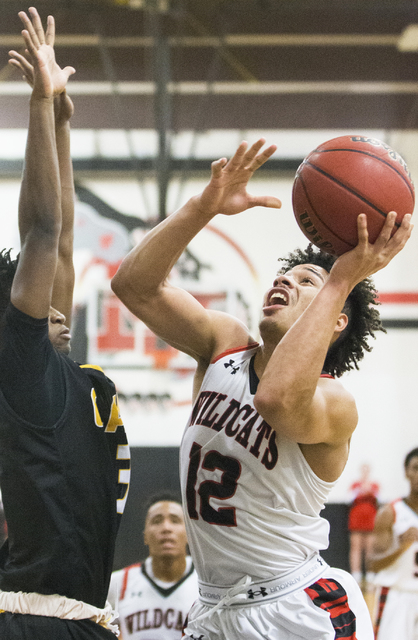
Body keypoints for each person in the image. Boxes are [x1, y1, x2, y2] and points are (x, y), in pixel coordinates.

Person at [111, 139, 412, 640]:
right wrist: (202, 206)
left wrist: (341, 278)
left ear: (336, 319)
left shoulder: (335, 403)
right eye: (284, 274)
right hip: (213, 610)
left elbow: (274, 401)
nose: (285, 281)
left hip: (297, 609)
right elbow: (134, 286)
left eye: (307, 280)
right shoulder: (224, 344)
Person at [0, 8, 130, 639]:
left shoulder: (64, 365)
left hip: (79, 617)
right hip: (31, 616)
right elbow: (43, 231)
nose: (61, 310)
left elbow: (68, 238)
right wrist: (38, 102)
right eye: (43, 303)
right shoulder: (22, 364)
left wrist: (62, 125)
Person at [108, 495, 198, 639]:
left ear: (189, 533)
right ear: (145, 536)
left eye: (175, 521)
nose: (166, 528)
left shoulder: (207, 583)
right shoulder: (117, 583)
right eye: (157, 521)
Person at [369, 447, 418, 640]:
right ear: (406, 472)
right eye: (416, 468)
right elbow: (372, 563)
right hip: (397, 597)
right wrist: (401, 547)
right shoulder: (390, 512)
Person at [348, 463, 380, 589]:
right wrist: (360, 491)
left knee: (370, 549)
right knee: (356, 548)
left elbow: (379, 499)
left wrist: (370, 491)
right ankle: (356, 576)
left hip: (370, 520)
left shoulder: (375, 485)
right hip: (356, 520)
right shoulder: (355, 485)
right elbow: (348, 499)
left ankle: (370, 576)